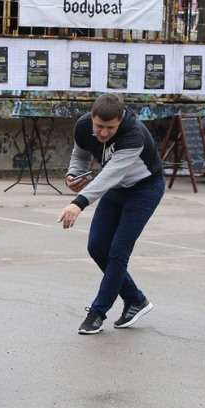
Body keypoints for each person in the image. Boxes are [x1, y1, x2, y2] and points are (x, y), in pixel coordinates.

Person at [57, 94, 165, 335]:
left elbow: (111, 174)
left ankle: (97, 312)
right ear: (92, 118)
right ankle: (136, 299)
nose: (103, 133)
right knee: (97, 247)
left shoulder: (134, 134)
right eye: (99, 126)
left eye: (110, 128)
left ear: (121, 119)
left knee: (118, 251)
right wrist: (74, 175)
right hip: (115, 191)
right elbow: (81, 155)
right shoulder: (84, 126)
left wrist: (79, 202)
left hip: (144, 190)